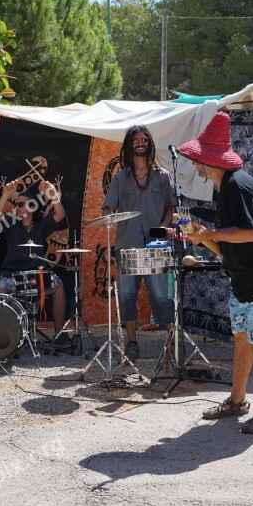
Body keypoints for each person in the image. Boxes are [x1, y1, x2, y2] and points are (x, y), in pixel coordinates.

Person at [180, 112, 253, 434]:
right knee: (242, 340)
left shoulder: (238, 185)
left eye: (198, 159)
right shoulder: (225, 188)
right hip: (244, 277)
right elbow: (227, 244)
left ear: (210, 160)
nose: (196, 165)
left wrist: (210, 232)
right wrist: (203, 237)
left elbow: (250, 233)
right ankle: (237, 401)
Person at [101, 125, 175, 362]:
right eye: (136, 139)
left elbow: (170, 208)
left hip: (155, 246)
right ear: (129, 144)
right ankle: (132, 342)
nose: (140, 142)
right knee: (126, 294)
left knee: (161, 295)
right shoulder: (121, 178)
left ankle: (172, 342)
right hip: (128, 245)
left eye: (144, 139)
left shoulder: (162, 176)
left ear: (150, 144)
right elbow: (108, 206)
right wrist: (109, 214)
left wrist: (162, 229)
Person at [0, 179, 69, 349]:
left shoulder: (42, 224)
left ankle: (59, 334)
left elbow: (60, 215)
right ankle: (3, 341)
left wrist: (53, 195)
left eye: (21, 204)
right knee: (0, 293)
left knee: (58, 285)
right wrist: (5, 195)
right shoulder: (11, 223)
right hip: (11, 275)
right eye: (17, 204)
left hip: (37, 275)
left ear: (32, 207)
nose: (17, 208)